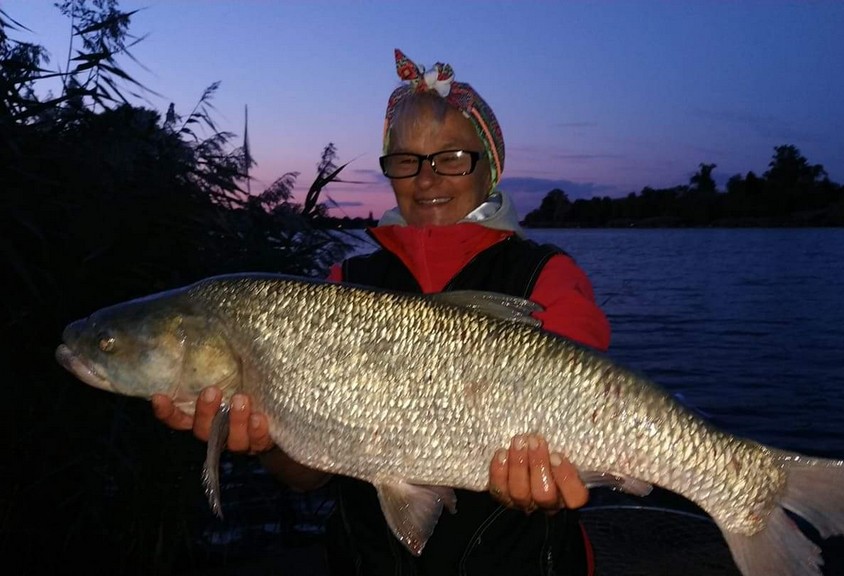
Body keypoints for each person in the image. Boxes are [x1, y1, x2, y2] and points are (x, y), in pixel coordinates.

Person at [152, 48, 611, 575]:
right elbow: (307, 476)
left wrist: (547, 487)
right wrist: (265, 443)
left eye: (451, 158)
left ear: (491, 168)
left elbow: (592, 418)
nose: (426, 179)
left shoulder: (547, 275)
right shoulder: (343, 286)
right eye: (406, 160)